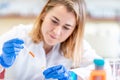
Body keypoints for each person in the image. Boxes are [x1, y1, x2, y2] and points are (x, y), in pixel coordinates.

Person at [0, 0, 112, 80]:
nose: (56, 32)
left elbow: (106, 69)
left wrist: (72, 76)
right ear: (44, 14)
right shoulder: (18, 34)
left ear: (74, 29)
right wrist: (2, 61)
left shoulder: (75, 44)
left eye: (66, 27)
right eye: (54, 21)